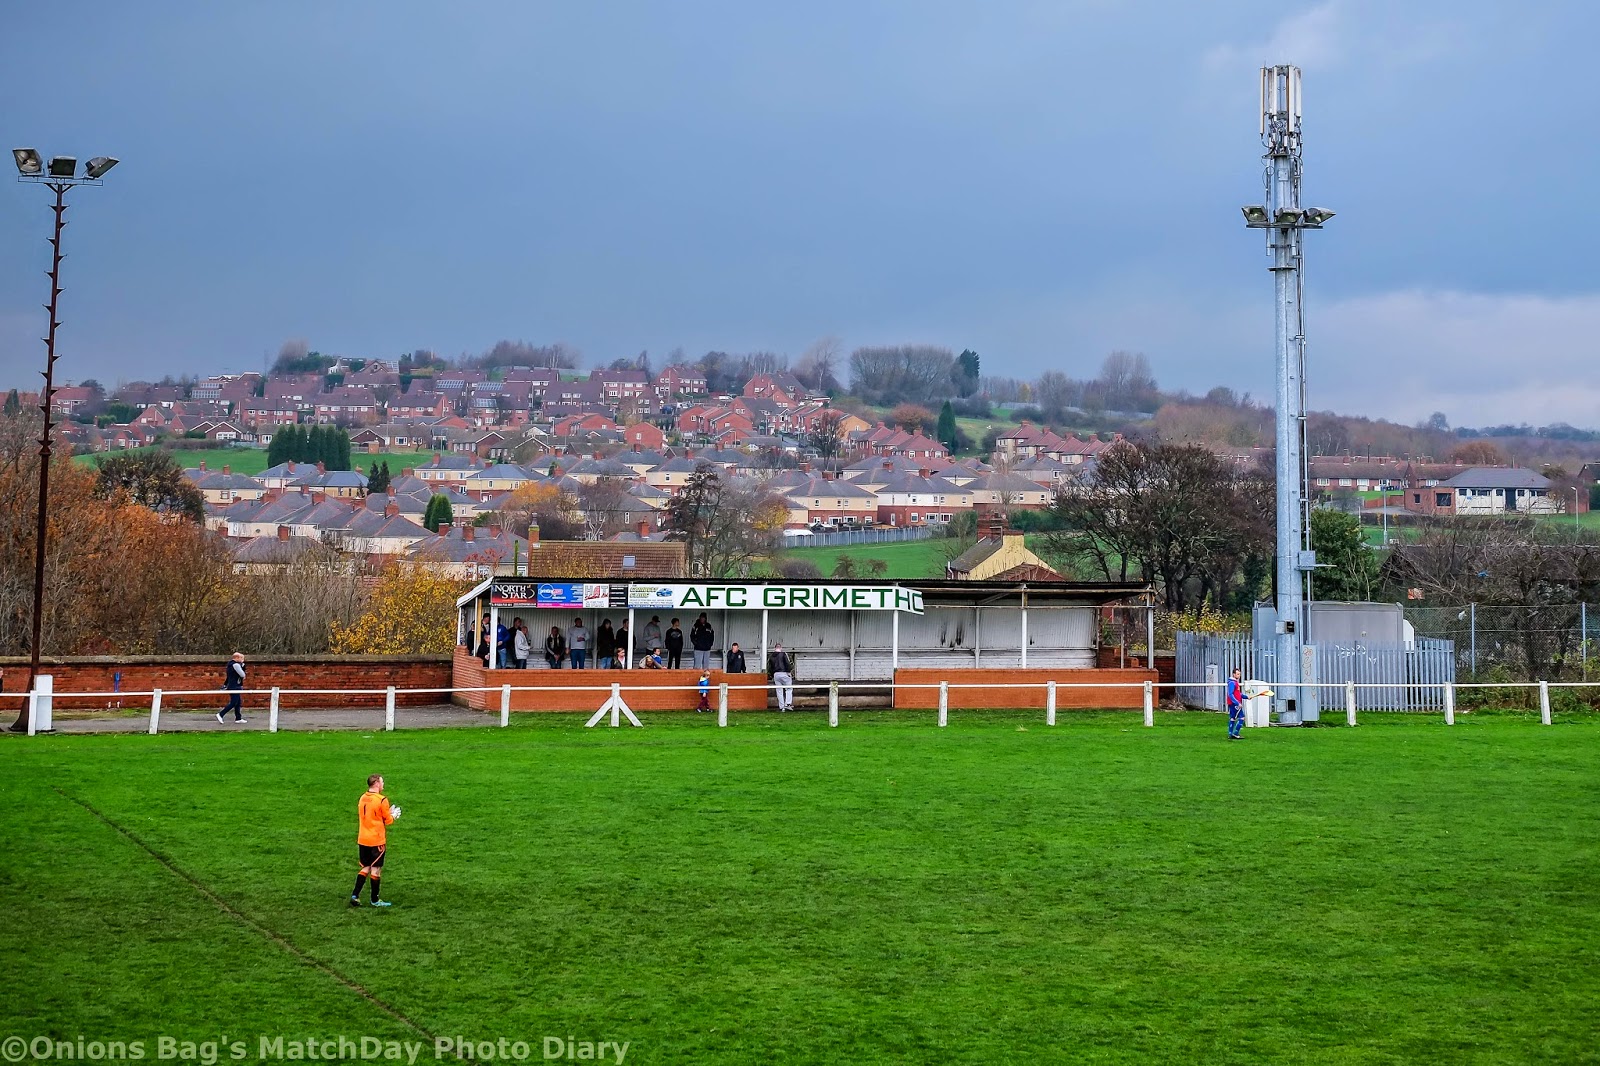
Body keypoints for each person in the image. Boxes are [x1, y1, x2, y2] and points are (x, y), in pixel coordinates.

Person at [352, 773, 401, 908]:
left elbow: (371, 815)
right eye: (382, 782)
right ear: (377, 783)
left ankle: (355, 895)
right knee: (376, 869)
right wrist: (393, 815)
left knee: (365, 867)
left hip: (363, 838)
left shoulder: (363, 797)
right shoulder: (381, 800)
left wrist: (385, 813)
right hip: (376, 840)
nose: (383, 784)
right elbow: (388, 820)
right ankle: (375, 900)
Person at [216, 652, 247, 723]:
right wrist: (242, 668)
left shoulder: (230, 665)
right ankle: (221, 714)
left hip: (233, 685)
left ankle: (238, 718)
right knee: (234, 702)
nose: (242, 660)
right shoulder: (236, 665)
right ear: (237, 658)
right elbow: (242, 675)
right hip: (234, 686)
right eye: (241, 658)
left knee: (238, 702)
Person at [768, 642, 793, 711]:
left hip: (776, 674)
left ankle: (781, 707)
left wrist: (772, 674)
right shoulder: (783, 654)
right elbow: (787, 663)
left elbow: (770, 667)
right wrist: (789, 671)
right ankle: (787, 704)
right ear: (781, 648)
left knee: (779, 690)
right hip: (784, 673)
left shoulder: (771, 656)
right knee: (789, 688)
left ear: (775, 648)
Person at [1227, 667, 1245, 740]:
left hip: (1232, 703)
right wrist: (1237, 703)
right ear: (1234, 674)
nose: (1239, 676)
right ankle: (1236, 733)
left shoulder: (1234, 682)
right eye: (1237, 674)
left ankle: (1230, 734)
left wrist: (1246, 697)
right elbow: (1230, 694)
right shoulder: (1232, 683)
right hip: (1234, 704)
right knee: (1242, 717)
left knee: (1232, 718)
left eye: (1239, 674)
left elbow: (1238, 694)